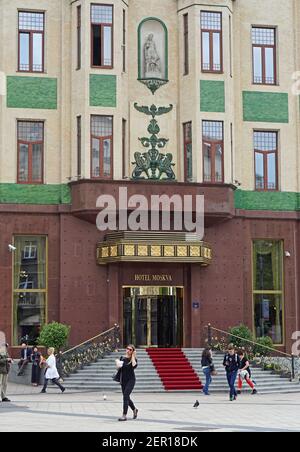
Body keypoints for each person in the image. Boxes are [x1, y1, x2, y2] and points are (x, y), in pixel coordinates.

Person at [117, 344, 138, 422]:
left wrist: (133, 356)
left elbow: (134, 366)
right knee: (127, 397)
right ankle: (134, 409)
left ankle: (124, 415)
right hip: (123, 380)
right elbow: (119, 369)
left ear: (132, 351)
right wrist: (117, 365)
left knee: (125, 396)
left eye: (130, 350)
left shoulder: (133, 359)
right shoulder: (122, 358)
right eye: (127, 349)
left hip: (131, 380)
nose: (128, 350)